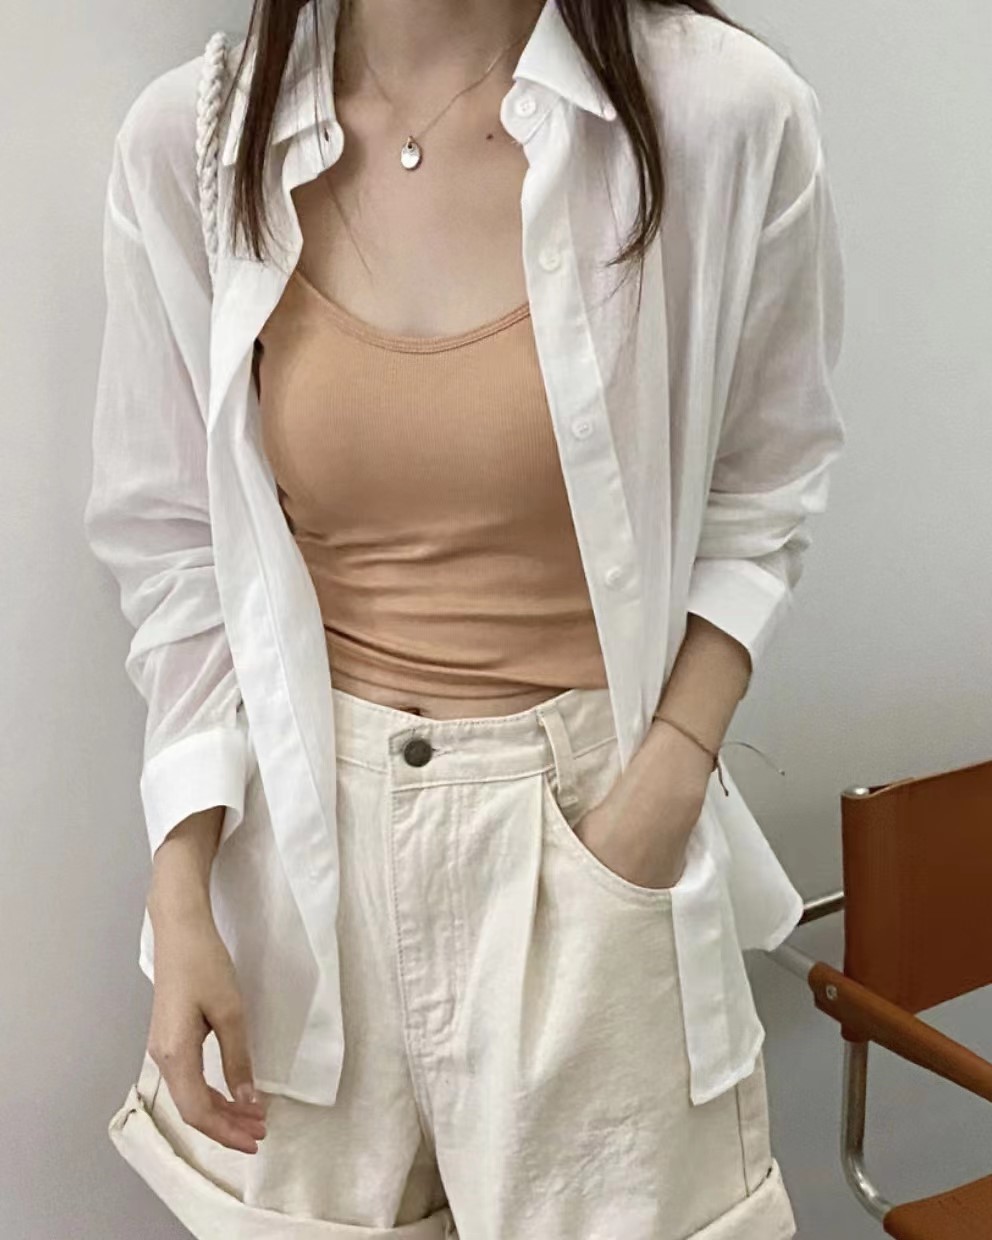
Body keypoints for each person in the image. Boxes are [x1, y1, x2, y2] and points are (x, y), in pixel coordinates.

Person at [85, 0, 846, 1235]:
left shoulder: (720, 117)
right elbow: (170, 540)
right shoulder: (195, 146)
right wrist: (181, 884)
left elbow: (764, 490)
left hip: (591, 823)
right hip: (302, 848)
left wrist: (659, 786)